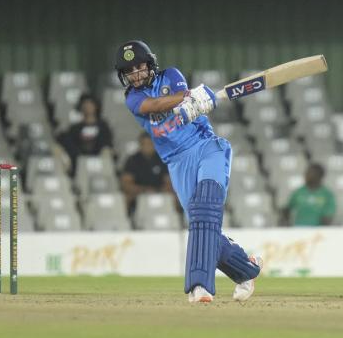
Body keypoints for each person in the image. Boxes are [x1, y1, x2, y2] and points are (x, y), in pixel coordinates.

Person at [115, 39, 262, 303]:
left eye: (140, 67)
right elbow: (154, 107)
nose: (136, 74)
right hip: (176, 161)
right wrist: (184, 101)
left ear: (150, 64)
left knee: (205, 208)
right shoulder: (133, 98)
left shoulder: (171, 75)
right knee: (201, 224)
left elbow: (182, 97)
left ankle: (199, 286)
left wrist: (195, 102)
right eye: (130, 71)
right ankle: (247, 269)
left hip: (206, 146)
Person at [56, 93, 113, 175]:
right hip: (78, 162)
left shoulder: (103, 127)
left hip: (98, 162)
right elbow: (64, 141)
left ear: (96, 106)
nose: (87, 107)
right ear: (81, 107)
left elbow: (106, 144)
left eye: (90, 104)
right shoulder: (75, 128)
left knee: (107, 152)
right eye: (85, 104)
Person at [120, 132, 173, 213]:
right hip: (138, 193)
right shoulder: (132, 160)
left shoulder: (162, 159)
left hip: (159, 192)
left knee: (175, 196)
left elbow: (169, 182)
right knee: (126, 198)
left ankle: (176, 220)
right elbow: (126, 183)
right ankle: (126, 221)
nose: (147, 147)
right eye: (144, 144)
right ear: (140, 145)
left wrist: (158, 191)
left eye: (150, 144)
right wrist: (144, 190)